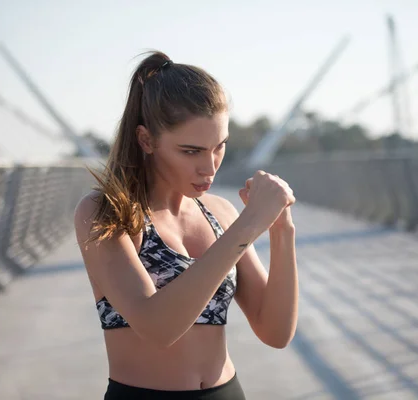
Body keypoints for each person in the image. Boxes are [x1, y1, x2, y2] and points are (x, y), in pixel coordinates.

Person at [74, 51, 298, 400]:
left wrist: (281, 230)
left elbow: (275, 331)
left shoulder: (219, 212)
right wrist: (247, 225)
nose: (209, 168)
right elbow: (158, 327)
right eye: (191, 151)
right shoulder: (106, 213)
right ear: (147, 140)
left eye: (219, 147)